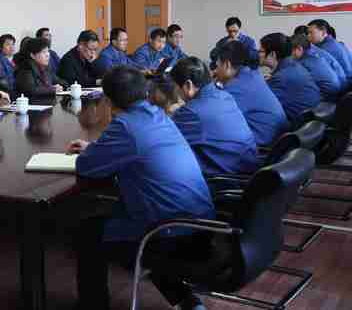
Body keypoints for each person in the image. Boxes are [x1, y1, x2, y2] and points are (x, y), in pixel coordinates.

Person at [67, 65, 214, 310]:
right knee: (132, 215)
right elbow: (137, 148)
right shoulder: (158, 115)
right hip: (201, 224)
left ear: (108, 100)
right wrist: (97, 148)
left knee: (89, 232)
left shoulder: (124, 125)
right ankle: (187, 303)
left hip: (170, 233)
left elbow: (86, 167)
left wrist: (95, 149)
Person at [171, 57, 258, 175]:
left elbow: (164, 136)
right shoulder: (225, 96)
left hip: (226, 179)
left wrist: (171, 112)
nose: (175, 93)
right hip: (248, 169)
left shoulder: (191, 112)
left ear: (188, 85)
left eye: (175, 87)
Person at [215, 41, 289, 147]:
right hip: (277, 139)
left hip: (264, 147)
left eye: (217, 66)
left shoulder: (236, 88)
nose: (216, 71)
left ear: (227, 65)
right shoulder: (252, 74)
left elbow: (215, 116)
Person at [259, 33, 320, 126]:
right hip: (310, 121)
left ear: (272, 54)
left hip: (296, 125)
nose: (258, 54)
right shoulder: (294, 66)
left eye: (261, 51)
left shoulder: (281, 78)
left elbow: (263, 105)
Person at [291, 34, 341, 102]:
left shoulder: (305, 62)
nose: (291, 55)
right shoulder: (315, 55)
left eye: (291, 51)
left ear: (300, 48)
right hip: (336, 93)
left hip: (328, 98)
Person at [308, 19, 352, 83]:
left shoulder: (326, 49)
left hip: (343, 84)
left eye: (311, 33)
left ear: (323, 32)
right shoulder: (334, 43)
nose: (308, 36)